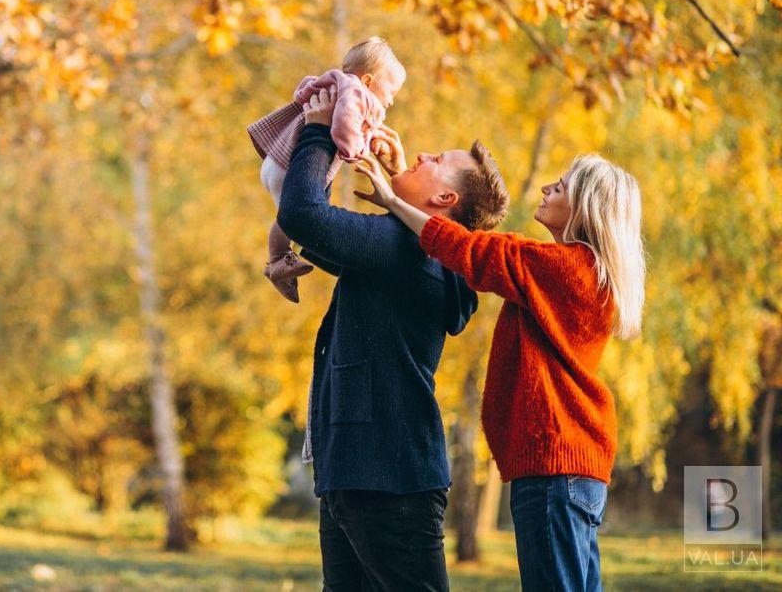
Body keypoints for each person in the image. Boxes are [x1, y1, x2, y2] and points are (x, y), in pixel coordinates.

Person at [354, 129, 646, 592]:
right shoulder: (582, 272)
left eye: (562, 185)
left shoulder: (561, 267)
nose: (549, 188)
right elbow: (460, 240)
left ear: (586, 208)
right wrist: (402, 180)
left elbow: (469, 249)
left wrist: (393, 198)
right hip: (575, 468)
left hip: (555, 465)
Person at [277, 86, 510, 591]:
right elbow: (330, 241)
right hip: (365, 471)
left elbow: (302, 216)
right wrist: (400, 190)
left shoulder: (405, 251)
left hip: (384, 474)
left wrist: (319, 132)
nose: (421, 153)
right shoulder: (415, 253)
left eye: (436, 161)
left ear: (445, 199)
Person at [248, 36, 406, 303]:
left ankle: (280, 259)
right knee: (293, 217)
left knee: (294, 215)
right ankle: (277, 262)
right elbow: (345, 122)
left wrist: (370, 136)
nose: (391, 100)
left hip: (277, 162)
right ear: (368, 81)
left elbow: (307, 94)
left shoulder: (336, 85)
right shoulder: (356, 92)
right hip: (289, 167)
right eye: (391, 91)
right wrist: (353, 149)